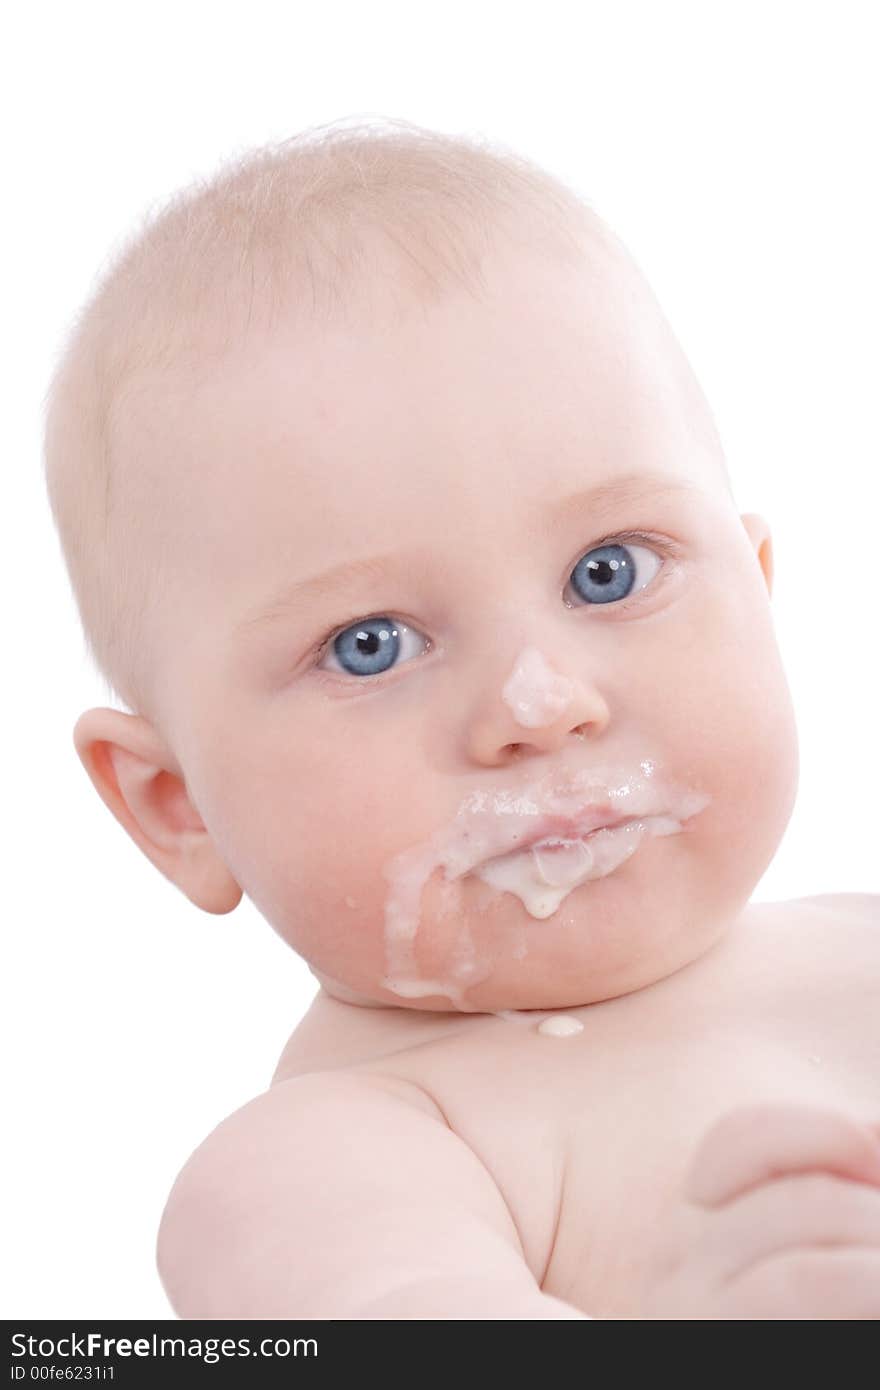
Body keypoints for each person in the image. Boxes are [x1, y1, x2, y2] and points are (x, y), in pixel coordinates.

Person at [42, 117, 880, 1319]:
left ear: (758, 587)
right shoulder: (329, 1169)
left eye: (609, 570)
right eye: (369, 644)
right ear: (178, 809)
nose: (542, 705)